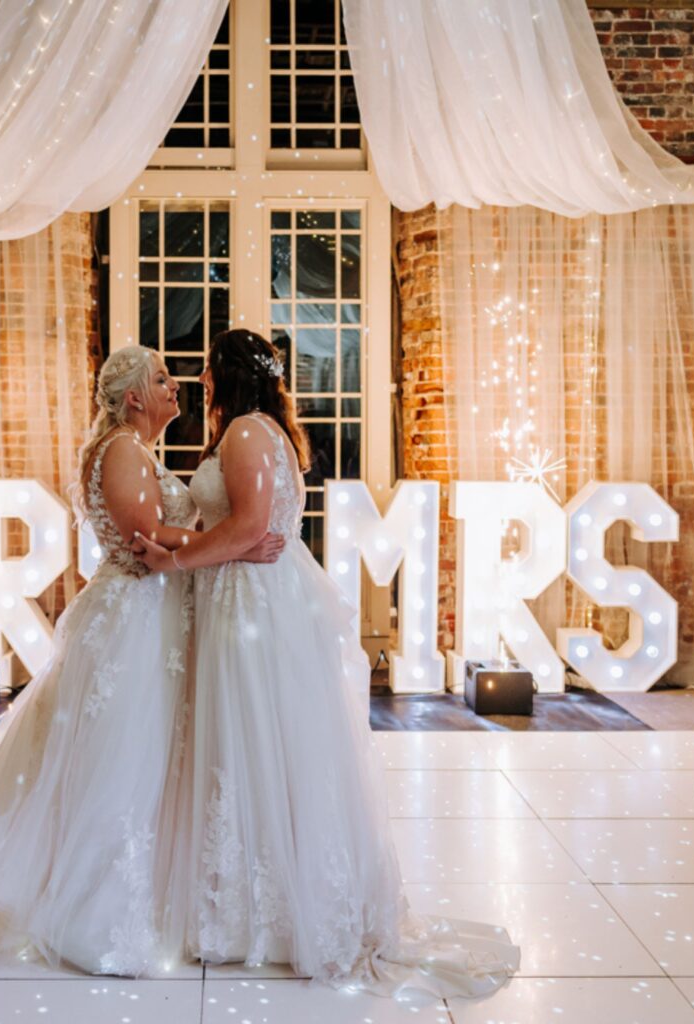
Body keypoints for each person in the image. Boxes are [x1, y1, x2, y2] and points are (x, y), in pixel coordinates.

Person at [136, 329, 521, 997]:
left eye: (205, 370)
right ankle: (245, 904)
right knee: (252, 743)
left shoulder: (249, 434)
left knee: (253, 738)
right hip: (246, 596)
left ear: (229, 374)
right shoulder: (257, 430)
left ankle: (267, 913)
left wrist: (177, 559)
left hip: (251, 607)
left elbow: (251, 528)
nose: (199, 381)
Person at [0, 345, 283, 976]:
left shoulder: (136, 451)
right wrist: (236, 548)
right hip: (134, 621)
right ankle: (95, 913)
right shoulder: (121, 450)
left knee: (143, 757)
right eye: (163, 380)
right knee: (122, 757)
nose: (178, 387)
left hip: (155, 616)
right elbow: (144, 534)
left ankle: (153, 892)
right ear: (134, 397)